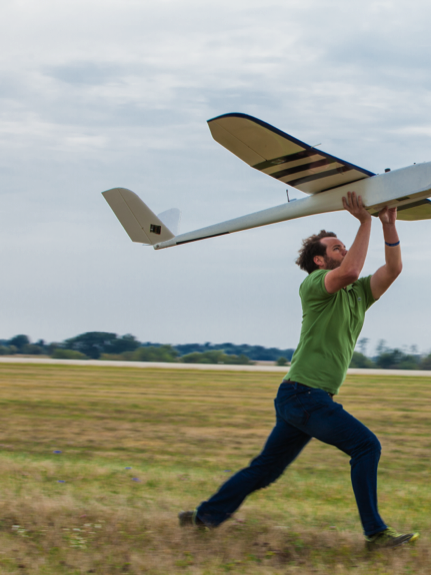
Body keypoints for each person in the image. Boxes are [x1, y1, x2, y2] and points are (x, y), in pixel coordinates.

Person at [179, 191, 418, 549]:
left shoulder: (358, 294)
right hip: (304, 396)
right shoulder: (314, 287)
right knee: (366, 446)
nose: (344, 250)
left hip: (301, 397)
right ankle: (375, 534)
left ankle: (203, 518)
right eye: (336, 247)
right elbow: (351, 268)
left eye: (343, 245)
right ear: (320, 261)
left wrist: (389, 225)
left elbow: (393, 269)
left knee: (264, 471)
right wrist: (365, 220)